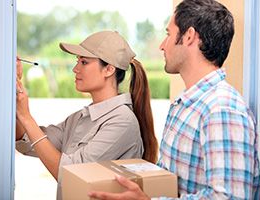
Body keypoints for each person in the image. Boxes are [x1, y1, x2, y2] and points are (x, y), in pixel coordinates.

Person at [89, 0, 260, 199]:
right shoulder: (185, 105)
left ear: (188, 36)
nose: (163, 46)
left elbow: (229, 197)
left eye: (168, 34)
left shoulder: (222, 109)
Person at [16, 30, 158, 199]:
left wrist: (26, 117)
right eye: (78, 61)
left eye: (84, 62)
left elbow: (69, 174)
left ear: (109, 70)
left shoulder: (122, 122)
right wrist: (15, 84)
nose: (75, 69)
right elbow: (27, 140)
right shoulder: (80, 118)